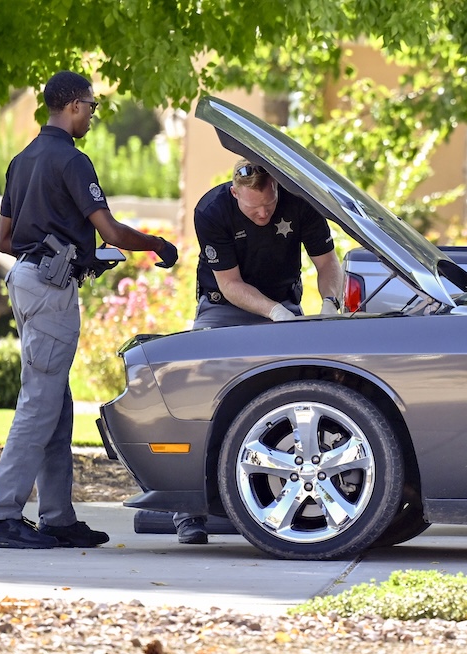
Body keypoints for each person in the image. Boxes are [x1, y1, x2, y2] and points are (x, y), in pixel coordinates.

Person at [0, 70, 179, 549]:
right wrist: (155, 244)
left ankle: (58, 518)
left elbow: (6, 240)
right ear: (71, 105)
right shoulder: (72, 160)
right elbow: (110, 231)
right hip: (50, 291)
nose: (93, 114)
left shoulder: (22, 159)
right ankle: (1, 517)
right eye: (91, 106)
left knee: (56, 404)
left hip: (27, 281)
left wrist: (74, 255)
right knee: (38, 404)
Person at [172, 157, 344, 544]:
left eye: (269, 204)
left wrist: (330, 305)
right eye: (253, 209)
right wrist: (275, 313)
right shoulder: (212, 210)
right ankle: (189, 512)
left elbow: (327, 262)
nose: (263, 213)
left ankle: (272, 498)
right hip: (224, 306)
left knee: (303, 395)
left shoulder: (300, 202)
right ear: (235, 194)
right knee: (201, 393)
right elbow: (230, 285)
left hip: (285, 302)